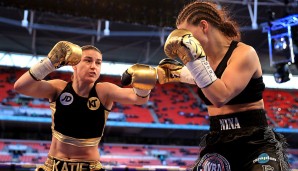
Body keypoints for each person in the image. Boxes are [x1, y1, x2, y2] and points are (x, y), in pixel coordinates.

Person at [157, 1, 289, 171]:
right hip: (218, 141)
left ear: (204, 26)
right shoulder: (202, 64)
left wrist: (191, 60)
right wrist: (147, 75)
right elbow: (179, 73)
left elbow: (220, 96)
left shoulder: (244, 53)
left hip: (255, 143)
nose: (185, 41)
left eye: (187, 34)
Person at [14, 41, 157, 171]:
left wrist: (144, 85)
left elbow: (139, 99)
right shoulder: (59, 88)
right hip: (53, 166)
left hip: (90, 167)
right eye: (88, 61)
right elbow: (21, 86)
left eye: (98, 63)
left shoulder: (104, 91)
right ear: (74, 65)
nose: (93, 66)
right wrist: (49, 63)